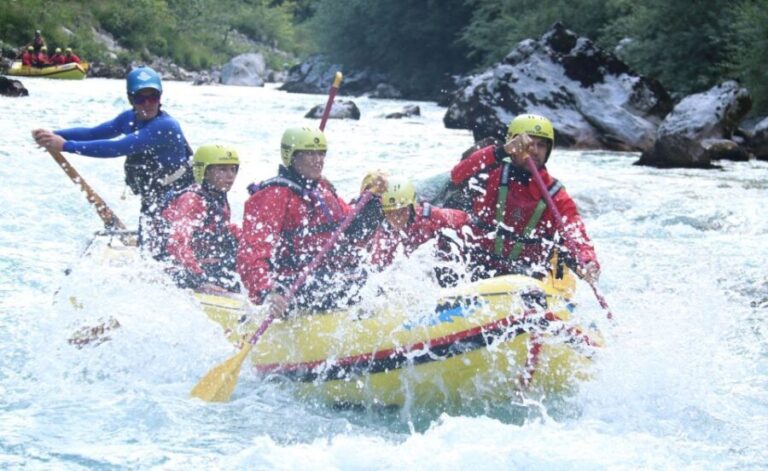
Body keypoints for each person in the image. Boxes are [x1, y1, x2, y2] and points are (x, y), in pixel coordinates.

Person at [32, 66, 194, 247]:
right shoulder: (128, 119)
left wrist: (65, 145)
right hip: (155, 196)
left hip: (180, 196)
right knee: (148, 246)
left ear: (160, 97)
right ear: (130, 99)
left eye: (153, 97)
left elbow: (116, 148)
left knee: (159, 247)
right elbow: (93, 133)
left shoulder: (165, 126)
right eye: (140, 98)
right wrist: (52, 135)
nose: (147, 103)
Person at [237, 127, 383, 318]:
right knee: (354, 288)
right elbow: (251, 251)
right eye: (310, 154)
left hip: (324, 276)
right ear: (292, 157)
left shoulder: (323, 190)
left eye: (321, 153)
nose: (318, 160)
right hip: (289, 281)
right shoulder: (274, 194)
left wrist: (372, 203)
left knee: (375, 282)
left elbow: (351, 231)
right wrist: (267, 291)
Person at [450, 113, 600, 283]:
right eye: (528, 143)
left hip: (526, 276)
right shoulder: (490, 173)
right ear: (513, 145)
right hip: (477, 264)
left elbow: (575, 231)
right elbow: (457, 175)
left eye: (541, 145)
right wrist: (502, 151)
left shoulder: (555, 194)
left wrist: (588, 262)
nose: (534, 151)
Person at [159, 144, 241, 293]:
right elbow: (177, 243)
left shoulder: (218, 196)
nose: (230, 176)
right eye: (222, 170)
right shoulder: (192, 200)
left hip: (198, 260)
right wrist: (200, 279)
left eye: (233, 169)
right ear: (205, 173)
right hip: (173, 265)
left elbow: (222, 228)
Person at [362, 175, 469, 270]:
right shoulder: (385, 235)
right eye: (389, 212)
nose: (395, 219)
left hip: (446, 265)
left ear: (411, 207)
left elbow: (466, 222)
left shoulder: (434, 217)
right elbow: (378, 267)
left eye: (400, 212)